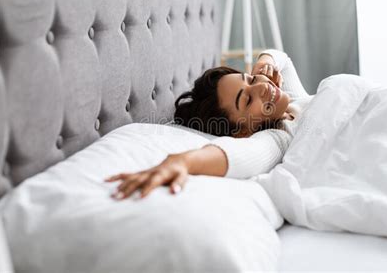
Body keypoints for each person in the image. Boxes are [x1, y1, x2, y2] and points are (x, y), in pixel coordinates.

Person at [105, 49, 312, 199]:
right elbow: (239, 154)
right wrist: (182, 161)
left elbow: (282, 58)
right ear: (242, 131)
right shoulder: (279, 138)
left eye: (249, 79)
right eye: (248, 100)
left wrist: (265, 63)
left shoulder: (292, 99)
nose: (261, 87)